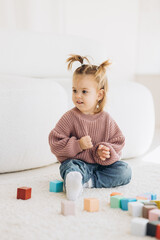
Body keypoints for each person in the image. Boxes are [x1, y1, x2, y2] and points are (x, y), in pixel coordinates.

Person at [48, 54, 132, 201]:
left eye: (84, 92)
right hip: (78, 164)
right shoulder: (70, 117)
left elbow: (118, 142)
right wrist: (77, 144)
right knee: (70, 167)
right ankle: (76, 179)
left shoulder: (106, 119)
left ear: (99, 95)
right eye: (75, 90)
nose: (78, 96)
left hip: (101, 168)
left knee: (124, 171)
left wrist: (106, 151)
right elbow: (55, 143)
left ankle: (88, 182)